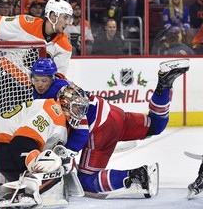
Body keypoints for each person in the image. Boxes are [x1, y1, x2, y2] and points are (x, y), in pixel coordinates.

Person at [30, 57, 190, 196]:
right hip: (113, 114)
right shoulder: (54, 86)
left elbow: (82, 128)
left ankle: (138, 175)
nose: (39, 84)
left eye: (44, 80)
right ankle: (164, 85)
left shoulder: (59, 93)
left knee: (85, 181)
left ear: (51, 78)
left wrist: (69, 152)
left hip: (101, 129)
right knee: (155, 125)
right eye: (36, 79)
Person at [0, 84, 89, 182]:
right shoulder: (52, 110)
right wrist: (33, 170)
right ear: (66, 103)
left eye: (81, 109)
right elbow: (21, 142)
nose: (79, 112)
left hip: (1, 149)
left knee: (55, 164)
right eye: (77, 107)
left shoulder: (61, 120)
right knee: (50, 164)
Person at [0, 0, 73, 76]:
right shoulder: (26, 24)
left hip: (33, 89)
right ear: (53, 16)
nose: (68, 23)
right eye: (65, 18)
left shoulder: (65, 45)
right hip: (6, 76)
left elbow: (58, 75)